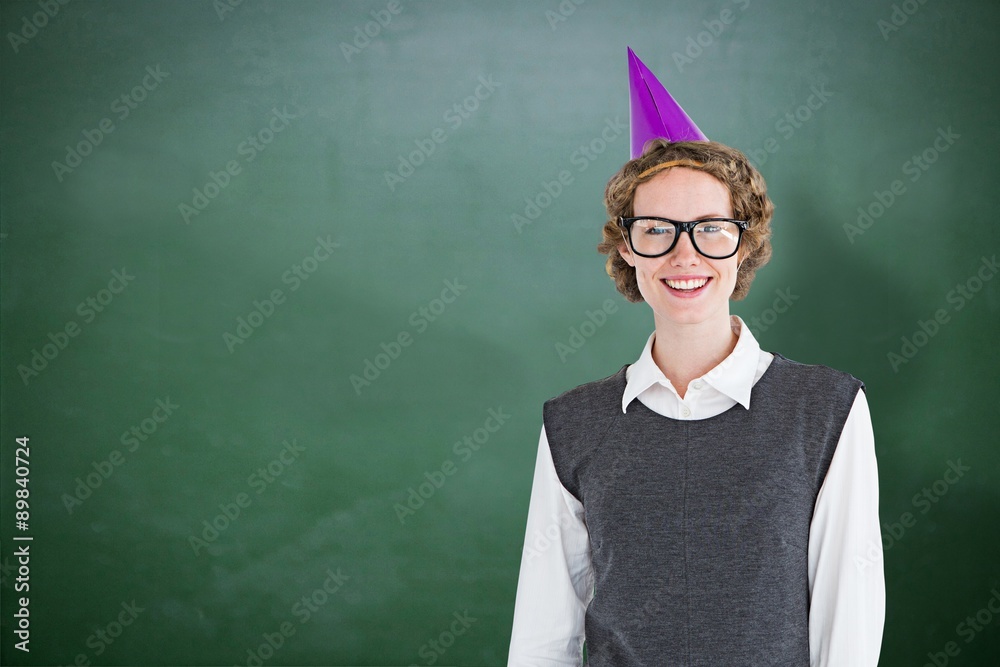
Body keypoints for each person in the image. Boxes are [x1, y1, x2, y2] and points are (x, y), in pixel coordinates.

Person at [507, 50, 884, 667]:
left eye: (710, 227)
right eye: (657, 228)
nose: (685, 255)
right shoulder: (573, 422)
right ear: (627, 248)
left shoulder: (825, 410)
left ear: (744, 244)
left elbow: (850, 614)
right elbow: (544, 630)